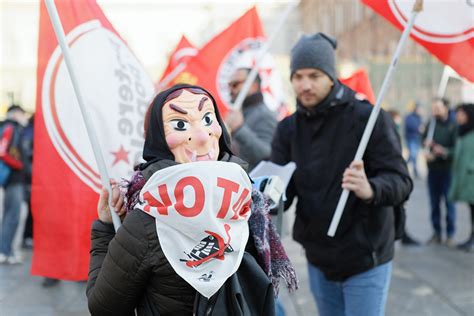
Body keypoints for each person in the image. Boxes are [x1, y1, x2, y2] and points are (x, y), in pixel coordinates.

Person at [87, 84, 297, 316]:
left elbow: (104, 308)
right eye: (180, 124)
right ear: (159, 139)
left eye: (207, 118)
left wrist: (106, 230)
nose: (200, 135)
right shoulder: (247, 200)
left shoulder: (147, 218)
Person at [270, 33, 412, 316]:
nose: (305, 85)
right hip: (318, 255)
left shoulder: (367, 118)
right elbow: (280, 191)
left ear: (331, 75)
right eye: (297, 76)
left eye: (314, 75)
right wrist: (261, 194)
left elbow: (401, 181)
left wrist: (370, 188)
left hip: (366, 256)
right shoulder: (287, 129)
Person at [225, 68, 277, 171]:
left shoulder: (264, 115)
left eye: (235, 84)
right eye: (229, 85)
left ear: (253, 86)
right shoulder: (241, 113)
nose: (231, 89)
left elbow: (268, 154)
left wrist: (239, 129)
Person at [424, 97, 457, 247]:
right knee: (434, 202)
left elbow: (457, 149)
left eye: (438, 107)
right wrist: (427, 148)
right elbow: (423, 139)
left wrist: (443, 152)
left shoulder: (454, 124)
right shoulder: (431, 124)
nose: (435, 111)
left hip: (448, 170)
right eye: (433, 108)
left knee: (449, 202)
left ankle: (450, 234)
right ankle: (436, 233)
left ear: (446, 108)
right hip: (433, 170)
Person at [0, 104, 28, 265]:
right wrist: (20, 165)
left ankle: (6, 251)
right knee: (13, 216)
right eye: (22, 114)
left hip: (12, 179)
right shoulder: (10, 128)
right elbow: (2, 151)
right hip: (13, 179)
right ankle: (5, 252)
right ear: (16, 113)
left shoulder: (11, 128)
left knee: (10, 216)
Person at [449, 103, 474, 251]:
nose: (458, 116)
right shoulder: (463, 132)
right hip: (467, 180)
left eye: (461, 113)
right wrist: (444, 152)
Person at [404, 103, 423, 178]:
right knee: (413, 154)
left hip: (417, 138)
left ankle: (414, 170)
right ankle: (403, 166)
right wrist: (418, 128)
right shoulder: (409, 117)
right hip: (411, 138)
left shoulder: (419, 117)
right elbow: (409, 126)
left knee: (415, 156)